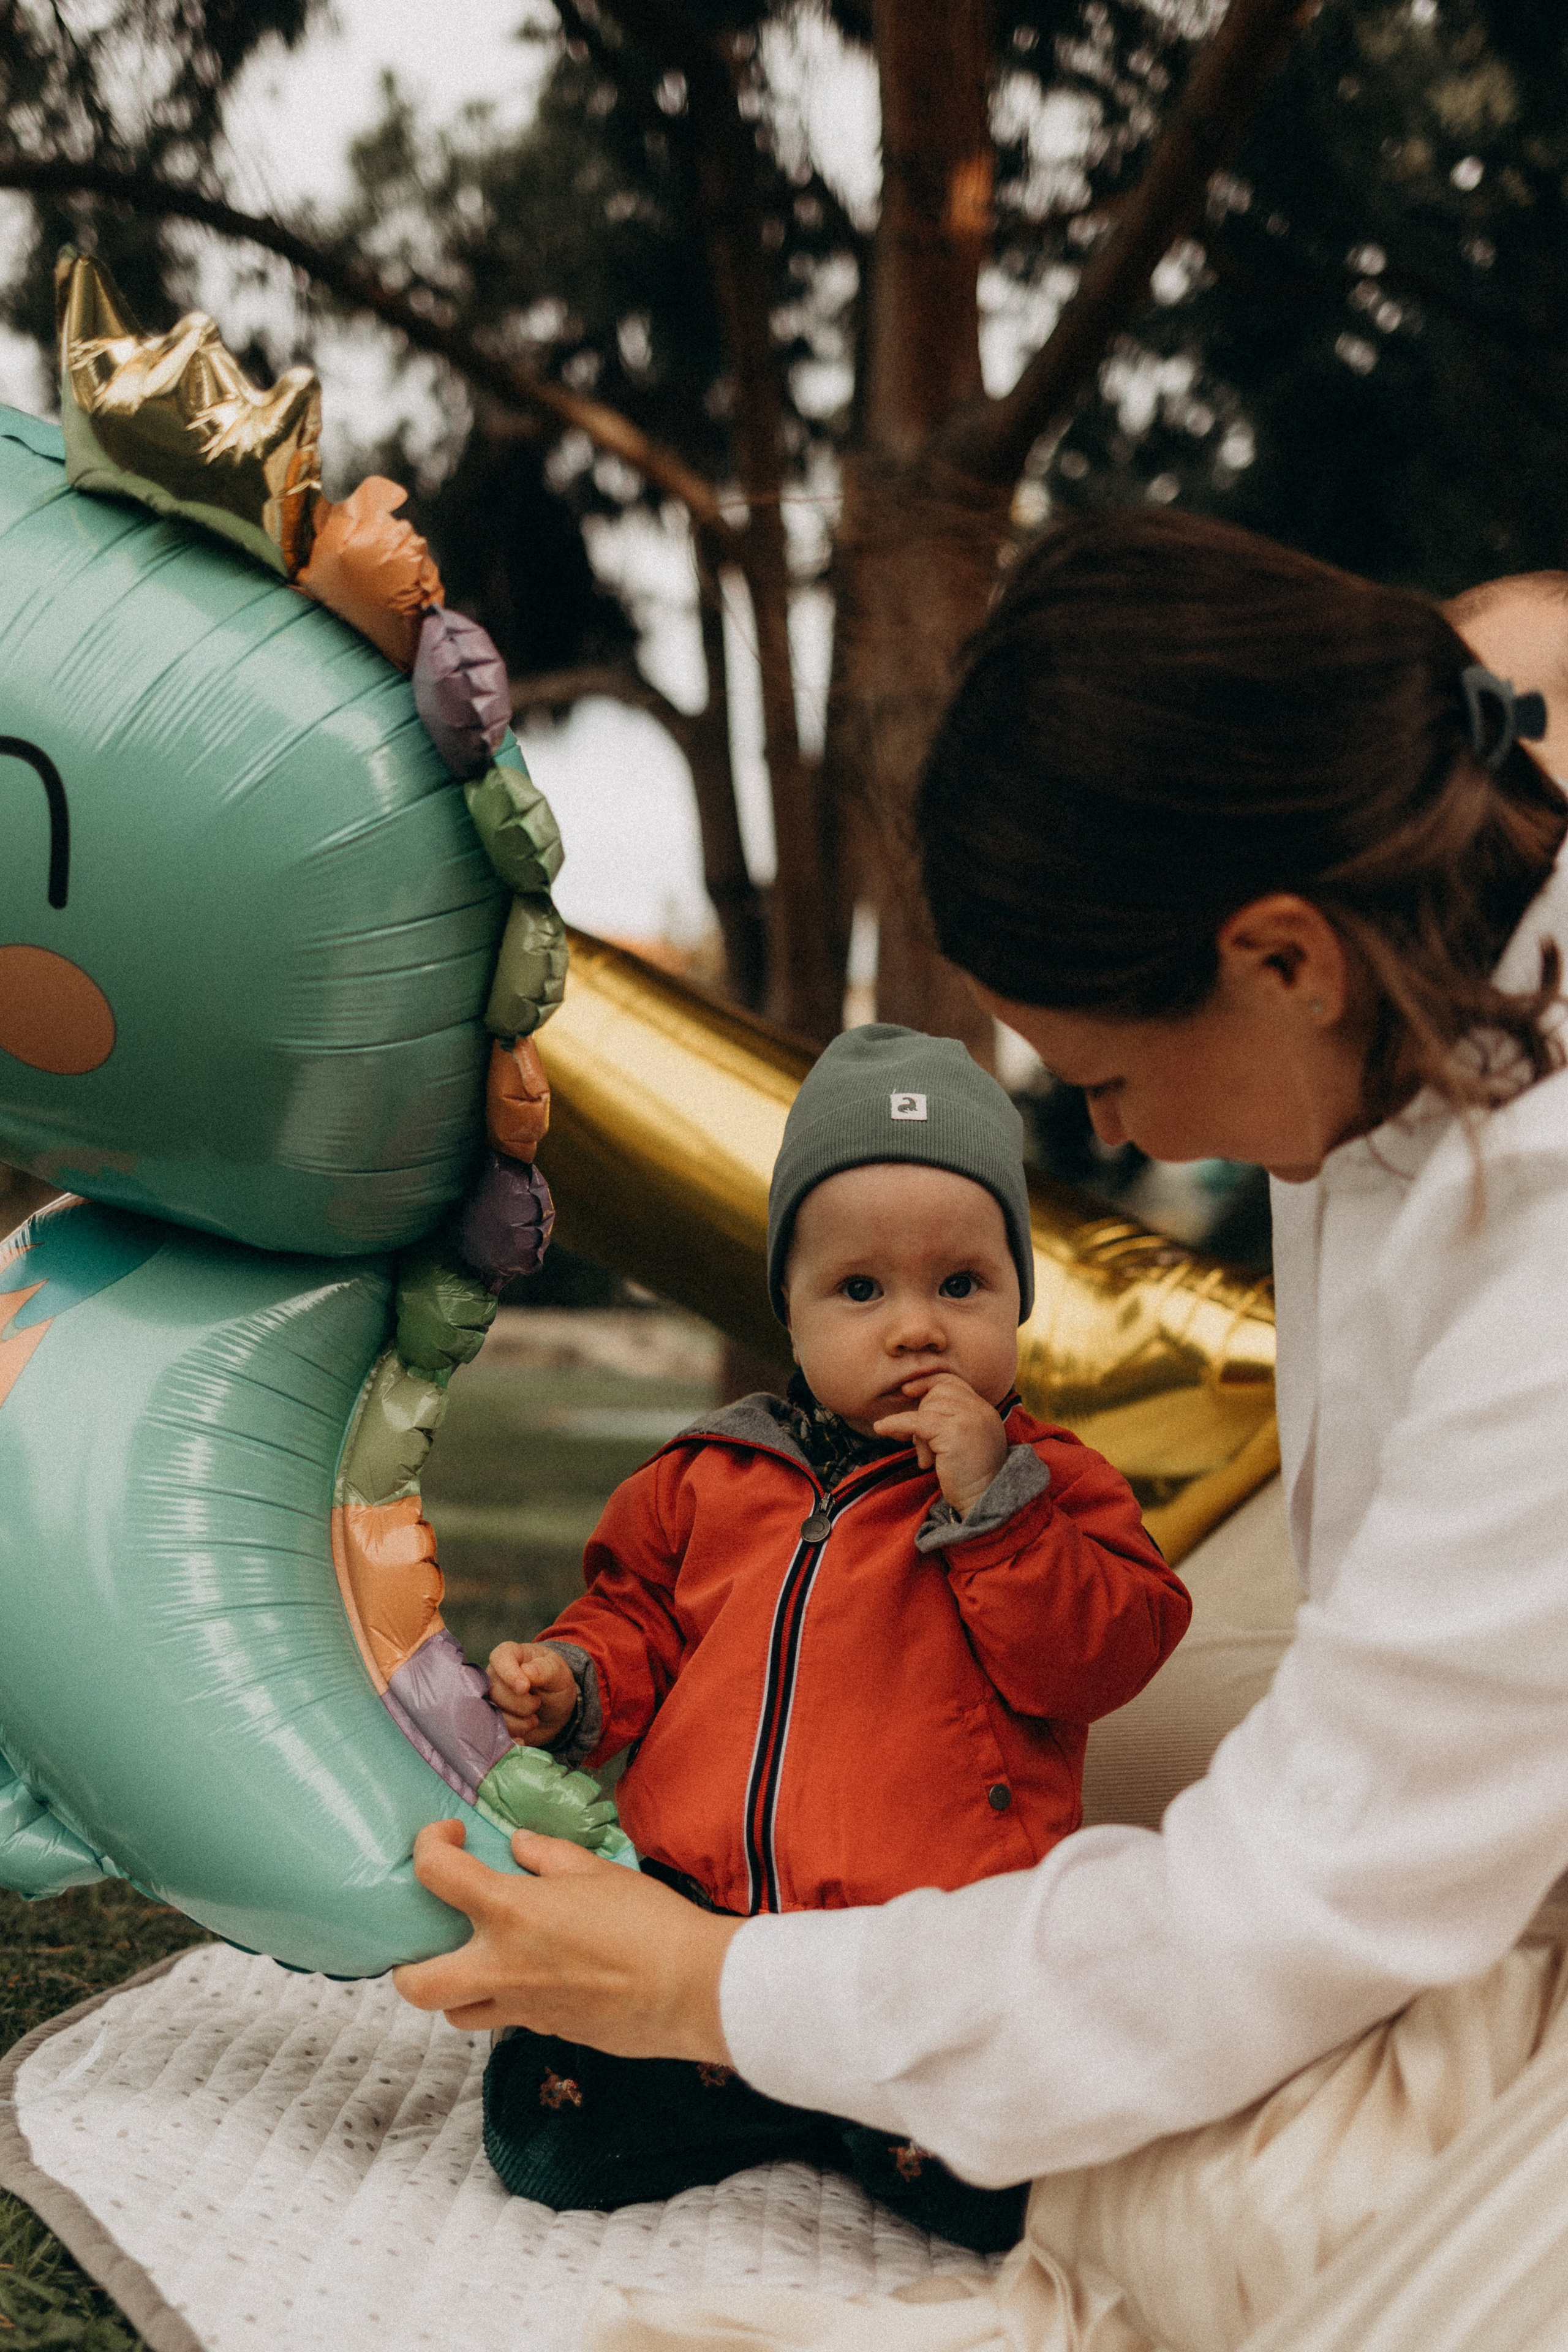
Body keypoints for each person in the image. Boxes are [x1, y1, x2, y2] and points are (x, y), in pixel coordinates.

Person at [396, 512, 1568, 2350]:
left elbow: (1282, 1899)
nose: (1145, 1142)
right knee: (1153, 2157)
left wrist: (715, 1986)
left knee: (1264, 2233)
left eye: (1102, 1080)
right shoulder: (1441, 914)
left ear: (1281, 959)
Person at [475, 1024, 1190, 2247]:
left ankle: (870, 2117)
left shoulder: (1049, 1484)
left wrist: (992, 1511)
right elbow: (639, 1620)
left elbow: (1100, 1654)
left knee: (1017, 2186)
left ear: (1018, 1295)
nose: (914, 1328)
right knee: (541, 2123)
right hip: (700, 1937)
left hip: (920, 1958)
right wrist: (576, 1678)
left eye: (959, 1285)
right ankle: (752, 2099)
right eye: (860, 1291)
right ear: (791, 1314)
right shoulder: (706, 1477)